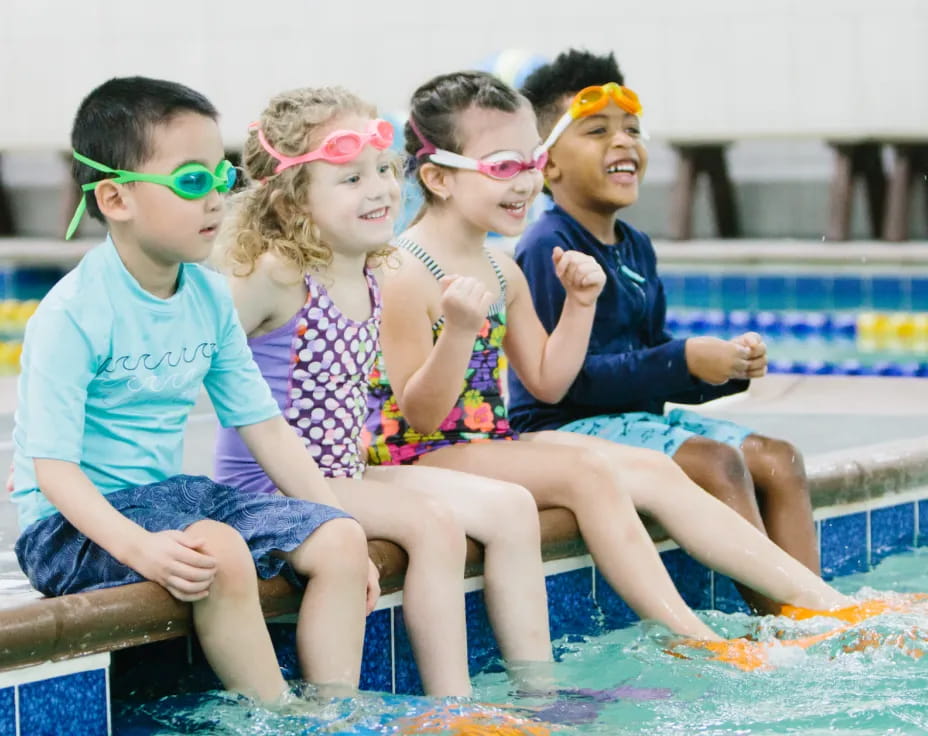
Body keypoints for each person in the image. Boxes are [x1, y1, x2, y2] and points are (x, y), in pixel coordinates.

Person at [367, 70, 868, 649]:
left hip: (485, 444)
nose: (528, 182)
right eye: (505, 167)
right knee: (588, 473)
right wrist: (458, 331)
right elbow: (419, 416)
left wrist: (580, 306)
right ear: (437, 177)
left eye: (532, 161)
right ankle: (695, 636)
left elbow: (549, 383)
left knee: (654, 469)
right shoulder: (404, 269)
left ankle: (823, 603)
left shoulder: (501, 267)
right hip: (417, 455)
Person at [11, 77, 374, 704]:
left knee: (340, 539)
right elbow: (54, 471)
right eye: (190, 182)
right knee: (219, 548)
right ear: (116, 198)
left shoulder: (206, 296)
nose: (215, 200)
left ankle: (332, 710)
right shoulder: (72, 313)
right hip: (70, 530)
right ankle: (276, 717)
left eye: (221, 177)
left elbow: (264, 424)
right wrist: (141, 550)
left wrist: (337, 520)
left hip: (169, 500)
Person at [213, 86, 552, 697]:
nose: (380, 189)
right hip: (270, 489)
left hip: (343, 472)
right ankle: (451, 703)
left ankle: (541, 690)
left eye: (384, 171)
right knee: (433, 525)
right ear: (292, 203)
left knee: (512, 506)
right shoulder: (277, 275)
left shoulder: (373, 269)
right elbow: (194, 358)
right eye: (350, 179)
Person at [509, 50, 818, 611]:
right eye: (597, 130)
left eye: (632, 129)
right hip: (562, 426)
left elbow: (650, 360)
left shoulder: (635, 246)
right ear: (548, 165)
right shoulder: (547, 247)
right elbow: (565, 384)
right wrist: (681, 360)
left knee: (780, 457)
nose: (623, 142)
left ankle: (814, 609)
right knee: (715, 460)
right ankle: (786, 620)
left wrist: (723, 371)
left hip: (634, 422)